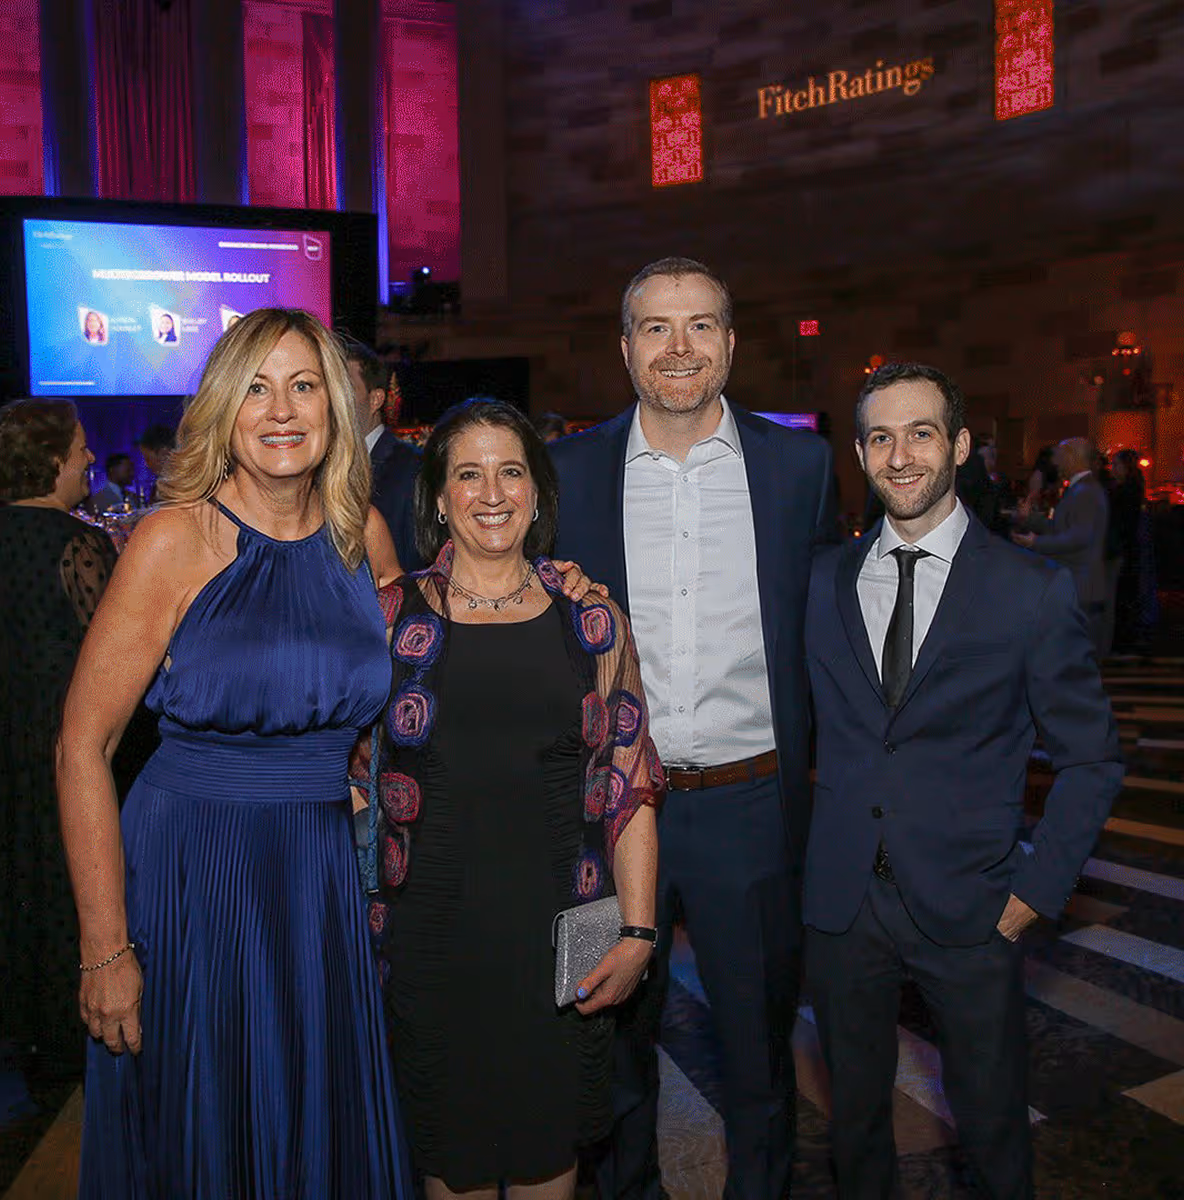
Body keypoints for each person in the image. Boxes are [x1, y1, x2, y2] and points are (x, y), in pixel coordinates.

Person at [56, 309, 413, 1198]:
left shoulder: (361, 534)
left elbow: (425, 661)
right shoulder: (174, 539)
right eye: (256, 387)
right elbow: (82, 746)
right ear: (223, 407)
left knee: (312, 1116)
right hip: (194, 870)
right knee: (205, 1121)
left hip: (319, 874)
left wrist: (552, 587)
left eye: (303, 386)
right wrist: (105, 947)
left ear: (336, 406)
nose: (281, 410)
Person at [550, 257, 836, 1200]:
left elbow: (826, 626)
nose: (679, 347)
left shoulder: (798, 467)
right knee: (603, 1048)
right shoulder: (567, 471)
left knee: (759, 1055)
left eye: (701, 325)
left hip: (748, 803)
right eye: (657, 327)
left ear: (732, 343)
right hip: (601, 810)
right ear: (624, 347)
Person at [804, 362, 1123, 1199]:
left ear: (959, 445)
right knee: (855, 1128)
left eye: (921, 433)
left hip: (975, 902)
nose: (899, 455)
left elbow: (1091, 758)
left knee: (991, 1128)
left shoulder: (1029, 590)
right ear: (860, 454)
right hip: (842, 904)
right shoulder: (824, 581)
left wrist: (1036, 891)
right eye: (880, 437)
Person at [368, 398, 660, 1200]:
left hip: (562, 941)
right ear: (438, 497)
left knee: (547, 1167)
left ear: (538, 491)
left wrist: (638, 932)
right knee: (451, 1169)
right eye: (469, 474)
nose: (491, 493)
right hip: (431, 941)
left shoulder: (591, 617)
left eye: (511, 472)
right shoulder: (390, 617)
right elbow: (349, 772)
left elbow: (631, 781)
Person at [0, 400, 115, 1088]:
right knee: (64, 890)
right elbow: (114, 661)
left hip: (7, 745)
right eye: (79, 448)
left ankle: (24, 1039)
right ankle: (69, 1047)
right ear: (50, 459)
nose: (90, 458)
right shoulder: (80, 545)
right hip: (61, 744)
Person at [1012, 437, 1110, 654]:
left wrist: (1036, 542)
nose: (1055, 462)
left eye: (1059, 456)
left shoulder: (1086, 491)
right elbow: (1061, 527)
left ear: (1073, 458)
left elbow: (1078, 538)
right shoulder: (1081, 489)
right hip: (1077, 583)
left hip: (1080, 584)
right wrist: (1030, 520)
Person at [345, 338, 423, 570]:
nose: (334, 400)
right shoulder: (317, 467)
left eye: (346, 389)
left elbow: (419, 563)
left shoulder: (413, 468)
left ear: (375, 400)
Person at [136, 423, 176, 504]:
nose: (146, 465)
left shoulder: (182, 487)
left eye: (148, 459)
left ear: (164, 453)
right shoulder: (160, 484)